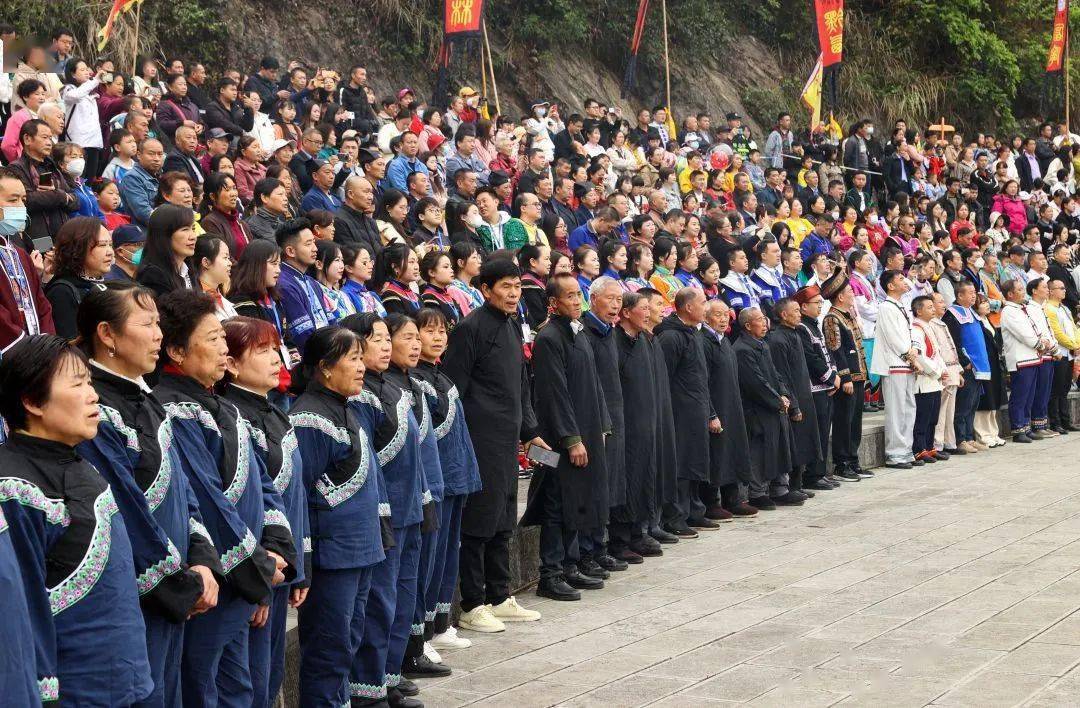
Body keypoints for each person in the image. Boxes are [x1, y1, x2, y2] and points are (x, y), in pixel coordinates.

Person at [75, 282, 220, 707]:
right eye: (147, 324)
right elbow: (125, 509)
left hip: (175, 584)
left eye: (159, 323)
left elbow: (183, 491)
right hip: (141, 594)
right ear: (107, 334)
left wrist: (202, 559)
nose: (159, 335)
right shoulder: (96, 409)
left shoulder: (146, 397)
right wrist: (175, 581)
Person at [153, 290, 295, 707]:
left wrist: (276, 546)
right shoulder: (174, 410)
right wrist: (258, 566)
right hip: (222, 574)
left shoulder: (224, 408)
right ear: (177, 350)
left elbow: (263, 488)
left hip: (249, 569)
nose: (222, 349)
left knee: (243, 688)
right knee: (207, 686)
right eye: (212, 339)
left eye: (222, 338)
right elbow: (207, 499)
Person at [0, 334, 155, 705]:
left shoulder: (84, 465)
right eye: (78, 384)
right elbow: (21, 615)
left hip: (125, 683)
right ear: (32, 401)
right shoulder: (11, 489)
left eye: (90, 382)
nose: (93, 395)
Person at [441, 258, 548, 630]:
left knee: (505, 516)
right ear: (485, 290)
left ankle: (499, 595)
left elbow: (520, 384)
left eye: (517, 287)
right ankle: (472, 603)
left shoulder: (513, 326)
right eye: (505, 286)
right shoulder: (470, 329)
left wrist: (530, 430)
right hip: (479, 439)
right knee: (479, 520)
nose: (513, 294)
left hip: (507, 438)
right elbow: (452, 387)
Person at [288, 325, 386, 706]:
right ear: (326, 368)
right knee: (328, 652)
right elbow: (302, 498)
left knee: (348, 644)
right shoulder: (309, 418)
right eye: (354, 359)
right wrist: (306, 564)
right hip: (333, 557)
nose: (362, 367)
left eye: (363, 358)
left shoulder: (346, 409)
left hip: (360, 551)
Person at [341, 313, 433, 706]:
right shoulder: (361, 398)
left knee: (400, 598)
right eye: (375, 339)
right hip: (385, 513)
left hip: (408, 507)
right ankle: (368, 686)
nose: (382, 346)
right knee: (378, 603)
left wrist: (425, 499)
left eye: (384, 338)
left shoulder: (393, 388)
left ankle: (389, 675)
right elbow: (369, 463)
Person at [218, 317, 309, 708]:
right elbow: (243, 506)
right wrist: (258, 580)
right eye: (262, 351)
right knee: (250, 680)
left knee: (269, 675)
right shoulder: (235, 418)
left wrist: (298, 564)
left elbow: (295, 498)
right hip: (256, 569)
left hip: (282, 565)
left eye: (276, 348)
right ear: (232, 364)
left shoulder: (273, 411)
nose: (276, 358)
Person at [522, 273, 611, 600]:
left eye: (578, 295)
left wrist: (602, 424)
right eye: (569, 296)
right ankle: (551, 573)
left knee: (579, 499)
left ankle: (572, 564)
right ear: (553, 303)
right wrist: (572, 439)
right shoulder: (548, 338)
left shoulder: (579, 333)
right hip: (555, 442)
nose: (576, 301)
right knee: (557, 502)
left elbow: (594, 384)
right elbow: (553, 394)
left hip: (585, 431)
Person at [655, 286, 722, 533]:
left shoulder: (693, 334)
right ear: (688, 307)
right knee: (682, 465)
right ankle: (676, 517)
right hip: (679, 413)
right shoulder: (671, 337)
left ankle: (695, 511)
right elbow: (665, 378)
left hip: (697, 409)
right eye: (703, 302)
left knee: (695, 463)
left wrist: (710, 411)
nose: (706, 308)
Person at [579, 277, 628, 571]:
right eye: (610, 299)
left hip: (614, 418)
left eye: (619, 300)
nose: (615, 305)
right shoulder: (585, 332)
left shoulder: (609, 332)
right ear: (593, 298)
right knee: (594, 487)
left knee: (609, 486)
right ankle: (586, 551)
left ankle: (600, 545)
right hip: (595, 421)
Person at [733, 306, 796, 509]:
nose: (765, 323)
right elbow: (755, 382)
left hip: (774, 406)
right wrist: (777, 399)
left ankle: (780, 488)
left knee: (779, 446)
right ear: (748, 326)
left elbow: (776, 375)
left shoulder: (763, 344)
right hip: (756, 410)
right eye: (760, 320)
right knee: (759, 451)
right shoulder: (742, 349)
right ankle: (757, 492)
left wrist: (785, 394)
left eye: (765, 318)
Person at [700, 298, 757, 516]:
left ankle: (733, 498)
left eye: (726, 314)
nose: (723, 319)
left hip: (732, 403)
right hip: (716, 405)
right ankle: (712, 502)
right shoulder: (704, 341)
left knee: (732, 450)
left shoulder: (724, 341)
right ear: (706, 317)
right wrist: (711, 412)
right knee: (716, 454)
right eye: (717, 315)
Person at [768, 296, 824, 495]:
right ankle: (788, 487)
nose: (799, 314)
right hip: (793, 398)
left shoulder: (796, 334)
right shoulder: (777, 339)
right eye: (795, 311)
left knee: (804, 442)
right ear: (783, 315)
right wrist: (794, 405)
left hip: (804, 393)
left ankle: (798, 484)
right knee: (794, 443)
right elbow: (782, 375)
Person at [821, 272, 871, 481]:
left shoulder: (848, 316)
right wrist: (846, 377)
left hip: (858, 377)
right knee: (844, 420)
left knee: (855, 421)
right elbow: (836, 350)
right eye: (850, 291)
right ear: (840, 296)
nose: (853, 293)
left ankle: (852, 459)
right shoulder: (832, 318)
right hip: (847, 379)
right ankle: (842, 463)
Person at [871, 270, 922, 468]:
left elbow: (911, 332)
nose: (905, 281)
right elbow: (894, 338)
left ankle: (906, 450)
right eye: (900, 279)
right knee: (896, 410)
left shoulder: (902, 305)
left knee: (909, 407)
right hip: (895, 364)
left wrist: (915, 349)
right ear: (890, 286)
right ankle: (895, 453)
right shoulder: (885, 307)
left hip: (907, 363)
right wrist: (909, 356)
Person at [10, 119, 79, 246]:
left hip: (64, 235)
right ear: (27, 139)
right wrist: (60, 196)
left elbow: (75, 201)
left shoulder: (52, 166)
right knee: (43, 263)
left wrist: (59, 196)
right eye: (44, 137)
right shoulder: (17, 167)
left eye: (50, 138)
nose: (49, 142)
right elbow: (27, 200)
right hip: (38, 237)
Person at [1001, 278, 1048, 443]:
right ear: (1010, 294)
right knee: (1020, 396)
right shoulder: (1009, 311)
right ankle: (1017, 428)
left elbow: (1033, 328)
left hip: (1032, 357)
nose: (1023, 292)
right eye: (1019, 290)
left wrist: (1042, 342)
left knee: (1029, 395)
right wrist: (1039, 343)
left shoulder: (1021, 308)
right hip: (1021, 358)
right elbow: (1023, 333)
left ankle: (1026, 426)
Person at [276, 217, 330, 352]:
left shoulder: (313, 283)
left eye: (314, 242)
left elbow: (331, 322)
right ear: (290, 251)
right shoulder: (284, 284)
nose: (315, 248)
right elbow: (303, 335)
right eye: (308, 244)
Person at [911, 295, 948, 463]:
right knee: (923, 416)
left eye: (933, 306)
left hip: (935, 379)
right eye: (929, 307)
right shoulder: (916, 328)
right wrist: (935, 371)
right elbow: (919, 356)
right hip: (924, 379)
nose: (933, 309)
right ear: (919, 311)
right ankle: (919, 449)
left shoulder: (928, 326)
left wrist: (943, 370)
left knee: (933, 417)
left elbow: (937, 352)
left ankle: (930, 447)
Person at [136, 204, 197, 297]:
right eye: (185, 229)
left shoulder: (188, 268)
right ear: (164, 235)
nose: (193, 237)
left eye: (193, 229)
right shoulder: (152, 275)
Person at [1044, 279, 1080, 434]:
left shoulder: (1064, 308)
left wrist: (1076, 344)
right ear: (1051, 291)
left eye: (1064, 288)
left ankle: (1065, 421)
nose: (1064, 291)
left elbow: (1073, 327)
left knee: (1065, 388)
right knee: (1056, 389)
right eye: (1061, 288)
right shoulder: (1049, 308)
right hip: (1058, 353)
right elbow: (1057, 333)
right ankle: (1055, 421)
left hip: (1069, 353)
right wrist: (1073, 345)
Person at [120, 138, 165, 227]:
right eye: (151, 154)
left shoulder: (161, 176)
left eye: (160, 154)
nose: (156, 158)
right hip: (144, 234)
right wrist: (171, 224)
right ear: (139, 155)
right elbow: (144, 213)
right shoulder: (132, 177)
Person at [192, 236, 239, 320]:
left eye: (229, 258)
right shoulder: (194, 302)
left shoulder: (222, 299)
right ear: (206, 262)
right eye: (225, 258)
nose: (230, 263)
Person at [335, 176, 383, 257]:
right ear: (350, 194)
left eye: (371, 192)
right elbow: (350, 257)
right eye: (366, 192)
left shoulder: (371, 222)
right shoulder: (339, 221)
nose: (371, 197)